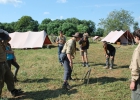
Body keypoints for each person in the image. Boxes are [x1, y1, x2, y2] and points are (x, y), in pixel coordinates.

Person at [0, 29, 23, 98]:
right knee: (0, 81)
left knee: (10, 77)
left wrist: (5, 35)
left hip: (5, 63)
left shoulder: (2, 43)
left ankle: (13, 91)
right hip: (0, 64)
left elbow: (9, 39)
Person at [129, 29, 140, 100]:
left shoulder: (138, 50)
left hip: (139, 79)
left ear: (137, 37)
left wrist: (133, 81)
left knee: (136, 96)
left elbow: (136, 66)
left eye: (134, 37)